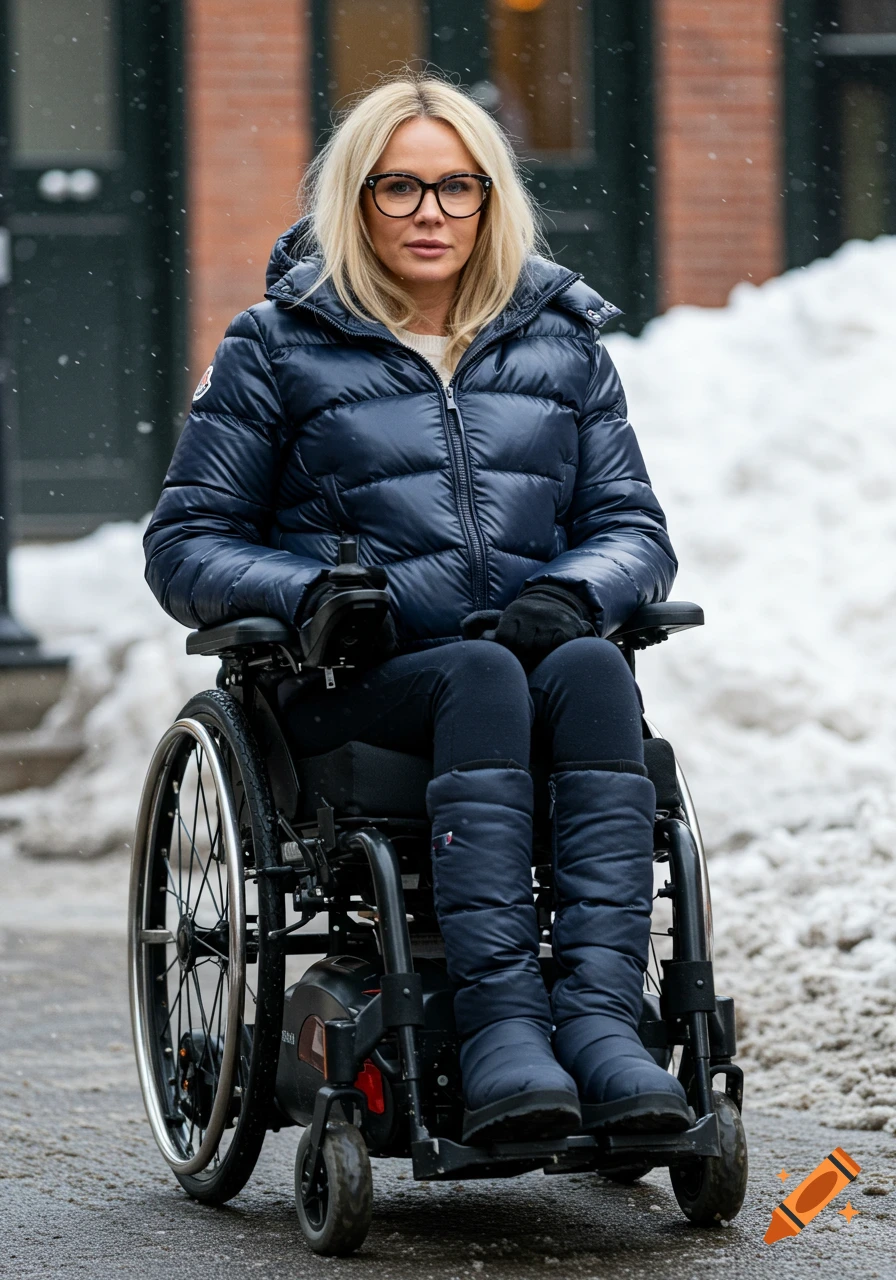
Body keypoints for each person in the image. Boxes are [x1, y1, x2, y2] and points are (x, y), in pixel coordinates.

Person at [144, 74, 691, 1145]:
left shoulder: (560, 342)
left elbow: (635, 528)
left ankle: (594, 1025)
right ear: (355, 200)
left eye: (454, 188)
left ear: (490, 200)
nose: (429, 213)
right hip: (351, 687)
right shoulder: (276, 344)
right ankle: (498, 1034)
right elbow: (185, 545)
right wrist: (309, 591)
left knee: (587, 667)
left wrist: (572, 592)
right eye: (399, 188)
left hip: (527, 676)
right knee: (481, 673)